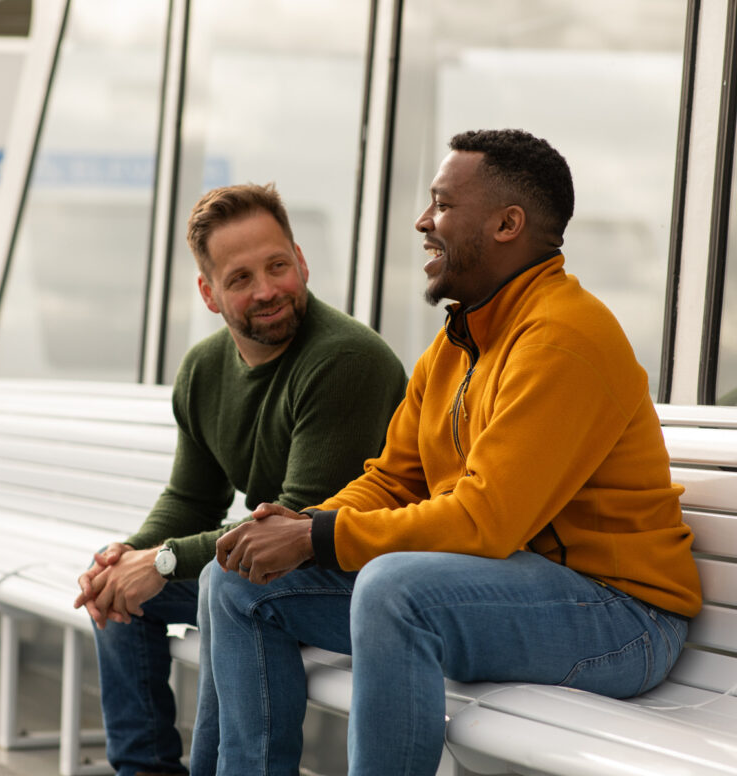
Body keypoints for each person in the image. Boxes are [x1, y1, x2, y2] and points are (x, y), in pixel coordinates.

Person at [194, 129, 703, 776]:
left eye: (441, 205)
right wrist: (296, 528)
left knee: (394, 590)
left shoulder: (561, 339)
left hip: (621, 617)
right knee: (235, 581)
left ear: (506, 223)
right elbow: (391, 479)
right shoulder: (460, 342)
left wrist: (322, 538)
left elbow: (485, 522)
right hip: (506, 591)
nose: (422, 221)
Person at [73, 183, 407, 776]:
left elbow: (299, 522)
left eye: (278, 266)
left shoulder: (346, 360)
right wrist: (131, 554)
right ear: (208, 293)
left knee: (223, 585)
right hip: (260, 569)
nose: (268, 290)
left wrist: (164, 561)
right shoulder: (204, 368)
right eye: (241, 278)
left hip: (353, 580)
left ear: (301, 261)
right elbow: (191, 497)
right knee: (112, 581)